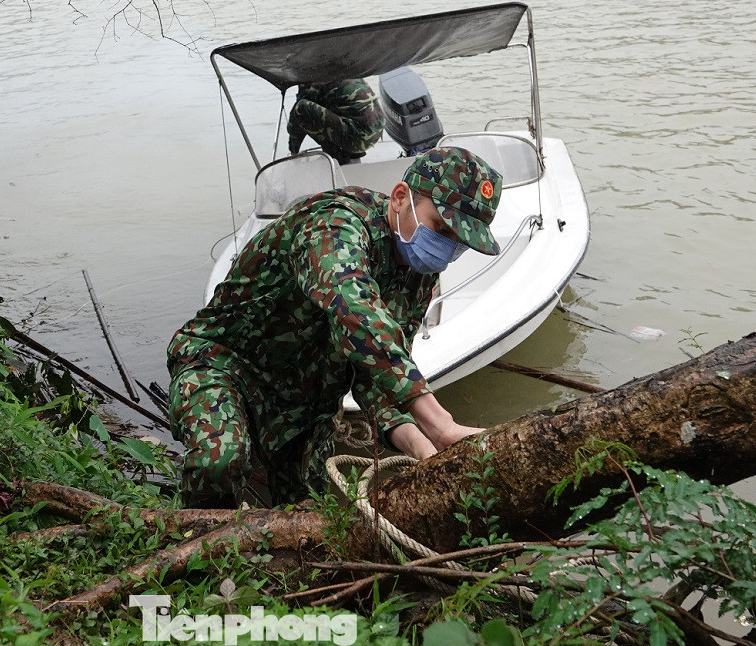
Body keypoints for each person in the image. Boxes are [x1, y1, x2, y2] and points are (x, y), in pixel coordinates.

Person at [166, 147, 503, 509]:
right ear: (401, 198)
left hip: (304, 400)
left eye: (460, 244)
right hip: (224, 364)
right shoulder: (333, 223)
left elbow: (375, 377)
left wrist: (425, 449)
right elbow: (354, 310)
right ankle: (197, 549)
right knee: (220, 461)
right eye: (441, 228)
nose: (447, 249)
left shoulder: (417, 278)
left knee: (308, 516)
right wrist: (441, 425)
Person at [286, 78, 385, 164]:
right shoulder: (339, 67)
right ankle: (352, 152)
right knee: (335, 103)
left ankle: (335, 154)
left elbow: (297, 117)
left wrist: (293, 151)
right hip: (378, 127)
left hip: (359, 136)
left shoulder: (312, 76)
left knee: (302, 107)